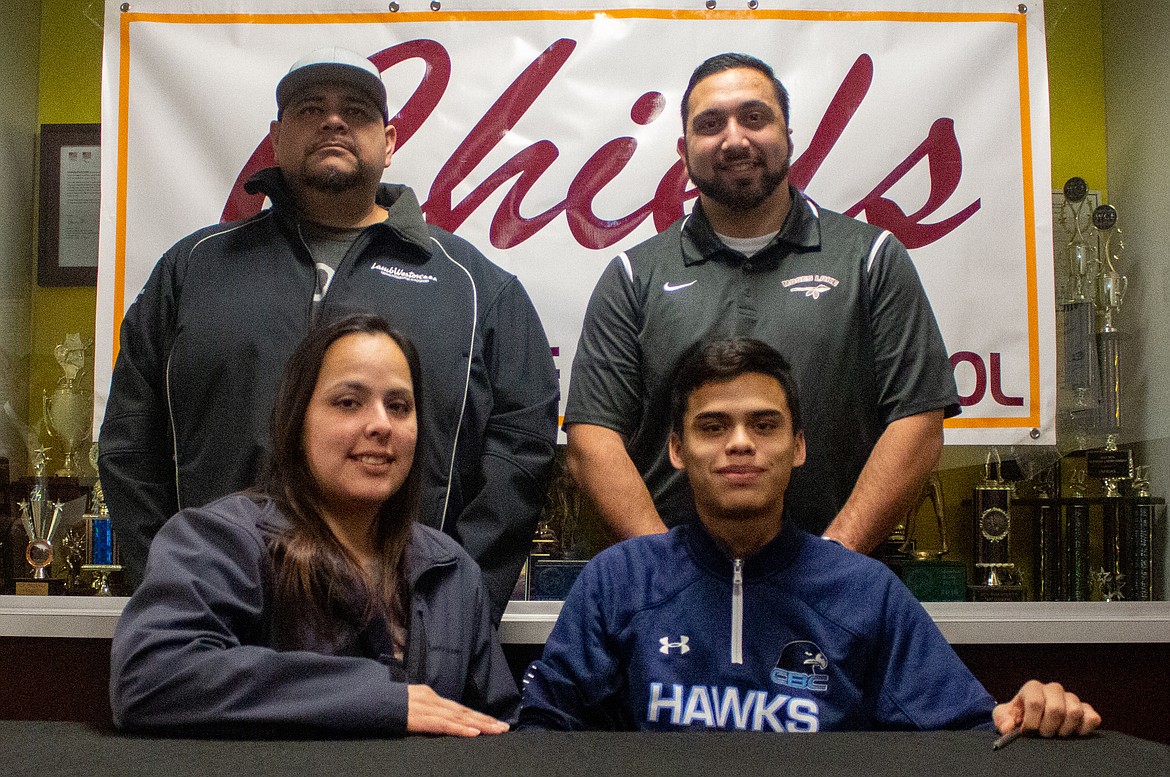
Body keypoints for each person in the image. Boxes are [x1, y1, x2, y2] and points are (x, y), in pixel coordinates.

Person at [98, 47, 559, 620]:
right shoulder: (193, 270)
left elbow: (522, 452)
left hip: (404, 635)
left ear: (389, 142)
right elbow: (128, 443)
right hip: (218, 626)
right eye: (311, 107)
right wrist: (170, 586)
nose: (334, 121)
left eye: (358, 111)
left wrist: (452, 609)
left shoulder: (473, 286)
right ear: (276, 136)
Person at [520, 338, 1100, 737]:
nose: (740, 443)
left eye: (764, 425)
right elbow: (543, 738)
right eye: (713, 426)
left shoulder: (865, 592)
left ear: (798, 447)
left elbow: (967, 736)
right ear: (677, 450)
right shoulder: (619, 580)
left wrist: (1030, 712)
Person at [564, 52, 957, 553]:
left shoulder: (871, 259)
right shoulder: (634, 275)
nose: (734, 139)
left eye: (754, 117)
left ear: (788, 136)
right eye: (711, 125)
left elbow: (919, 425)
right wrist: (665, 573)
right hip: (669, 603)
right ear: (684, 150)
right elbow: (591, 440)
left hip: (832, 595)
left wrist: (833, 563)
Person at [111, 314, 517, 736]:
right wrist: (378, 700)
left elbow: (496, 728)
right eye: (348, 402)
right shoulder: (222, 541)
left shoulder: (451, 571)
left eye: (399, 406)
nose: (380, 424)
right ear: (297, 419)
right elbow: (150, 675)